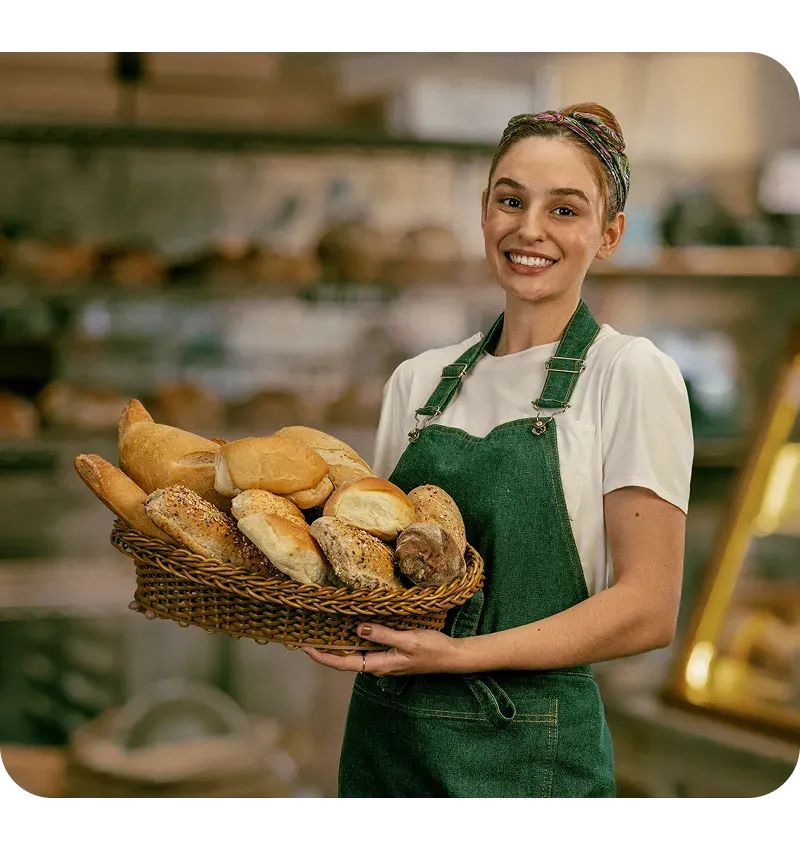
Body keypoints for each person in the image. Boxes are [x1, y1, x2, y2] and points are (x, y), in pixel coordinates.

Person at [322, 102, 695, 801]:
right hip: (387, 745)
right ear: (484, 212)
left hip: (529, 754)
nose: (529, 229)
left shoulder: (630, 375)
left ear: (608, 234)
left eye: (565, 210)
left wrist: (459, 655)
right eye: (511, 200)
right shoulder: (418, 382)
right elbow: (379, 572)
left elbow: (649, 608)